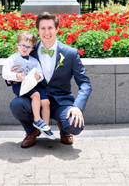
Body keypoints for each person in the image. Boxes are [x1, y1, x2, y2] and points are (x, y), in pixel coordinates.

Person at [9, 12, 91, 148]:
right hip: (36, 101)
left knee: (75, 126)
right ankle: (32, 131)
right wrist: (13, 77)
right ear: (37, 30)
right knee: (16, 105)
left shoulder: (70, 53)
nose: (46, 32)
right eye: (43, 28)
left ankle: (64, 129)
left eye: (50, 28)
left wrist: (77, 107)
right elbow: (14, 73)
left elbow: (85, 83)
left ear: (57, 29)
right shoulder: (29, 51)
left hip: (61, 102)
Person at [2, 32, 54, 139]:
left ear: (32, 49)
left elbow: (41, 74)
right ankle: (37, 120)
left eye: (29, 47)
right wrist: (16, 75)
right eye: (23, 46)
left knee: (46, 102)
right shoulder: (12, 59)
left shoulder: (34, 61)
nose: (25, 49)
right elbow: (5, 73)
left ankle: (45, 127)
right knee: (35, 95)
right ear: (17, 45)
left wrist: (38, 77)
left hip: (33, 85)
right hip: (20, 85)